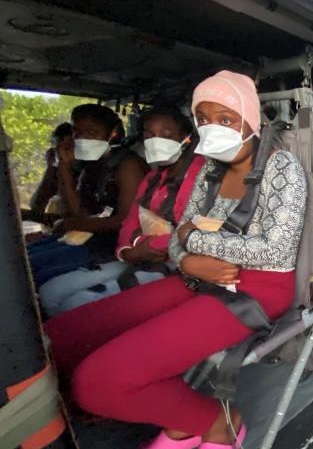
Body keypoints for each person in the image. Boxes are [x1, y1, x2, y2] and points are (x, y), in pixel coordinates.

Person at [45, 71, 307, 449]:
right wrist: (190, 257)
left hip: (254, 289)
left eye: (226, 117)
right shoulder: (207, 170)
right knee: (62, 338)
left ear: (250, 117)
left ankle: (217, 422)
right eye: (204, 119)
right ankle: (180, 418)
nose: (213, 128)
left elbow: (274, 252)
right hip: (198, 276)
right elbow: (177, 239)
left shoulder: (282, 168)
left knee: (97, 383)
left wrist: (192, 242)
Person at [38, 106, 203, 316]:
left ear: (187, 138)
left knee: (77, 303)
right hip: (137, 256)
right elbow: (131, 221)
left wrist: (146, 247)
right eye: (148, 135)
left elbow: (198, 228)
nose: (155, 141)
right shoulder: (153, 178)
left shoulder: (201, 175)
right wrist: (127, 250)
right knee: (51, 293)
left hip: (175, 264)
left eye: (166, 135)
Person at [27, 104, 149, 285]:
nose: (83, 139)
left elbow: (125, 221)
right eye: (77, 133)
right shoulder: (90, 166)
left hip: (114, 245)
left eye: (92, 133)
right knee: (26, 258)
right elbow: (76, 212)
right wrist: (63, 168)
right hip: (89, 237)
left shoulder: (127, 165)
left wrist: (74, 223)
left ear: (113, 133)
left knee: (36, 271)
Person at [22, 122, 76, 223]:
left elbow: (75, 219)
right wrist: (50, 168)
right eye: (57, 149)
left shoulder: (85, 174)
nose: (60, 153)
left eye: (67, 148)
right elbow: (37, 206)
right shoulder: (57, 171)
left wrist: (29, 215)